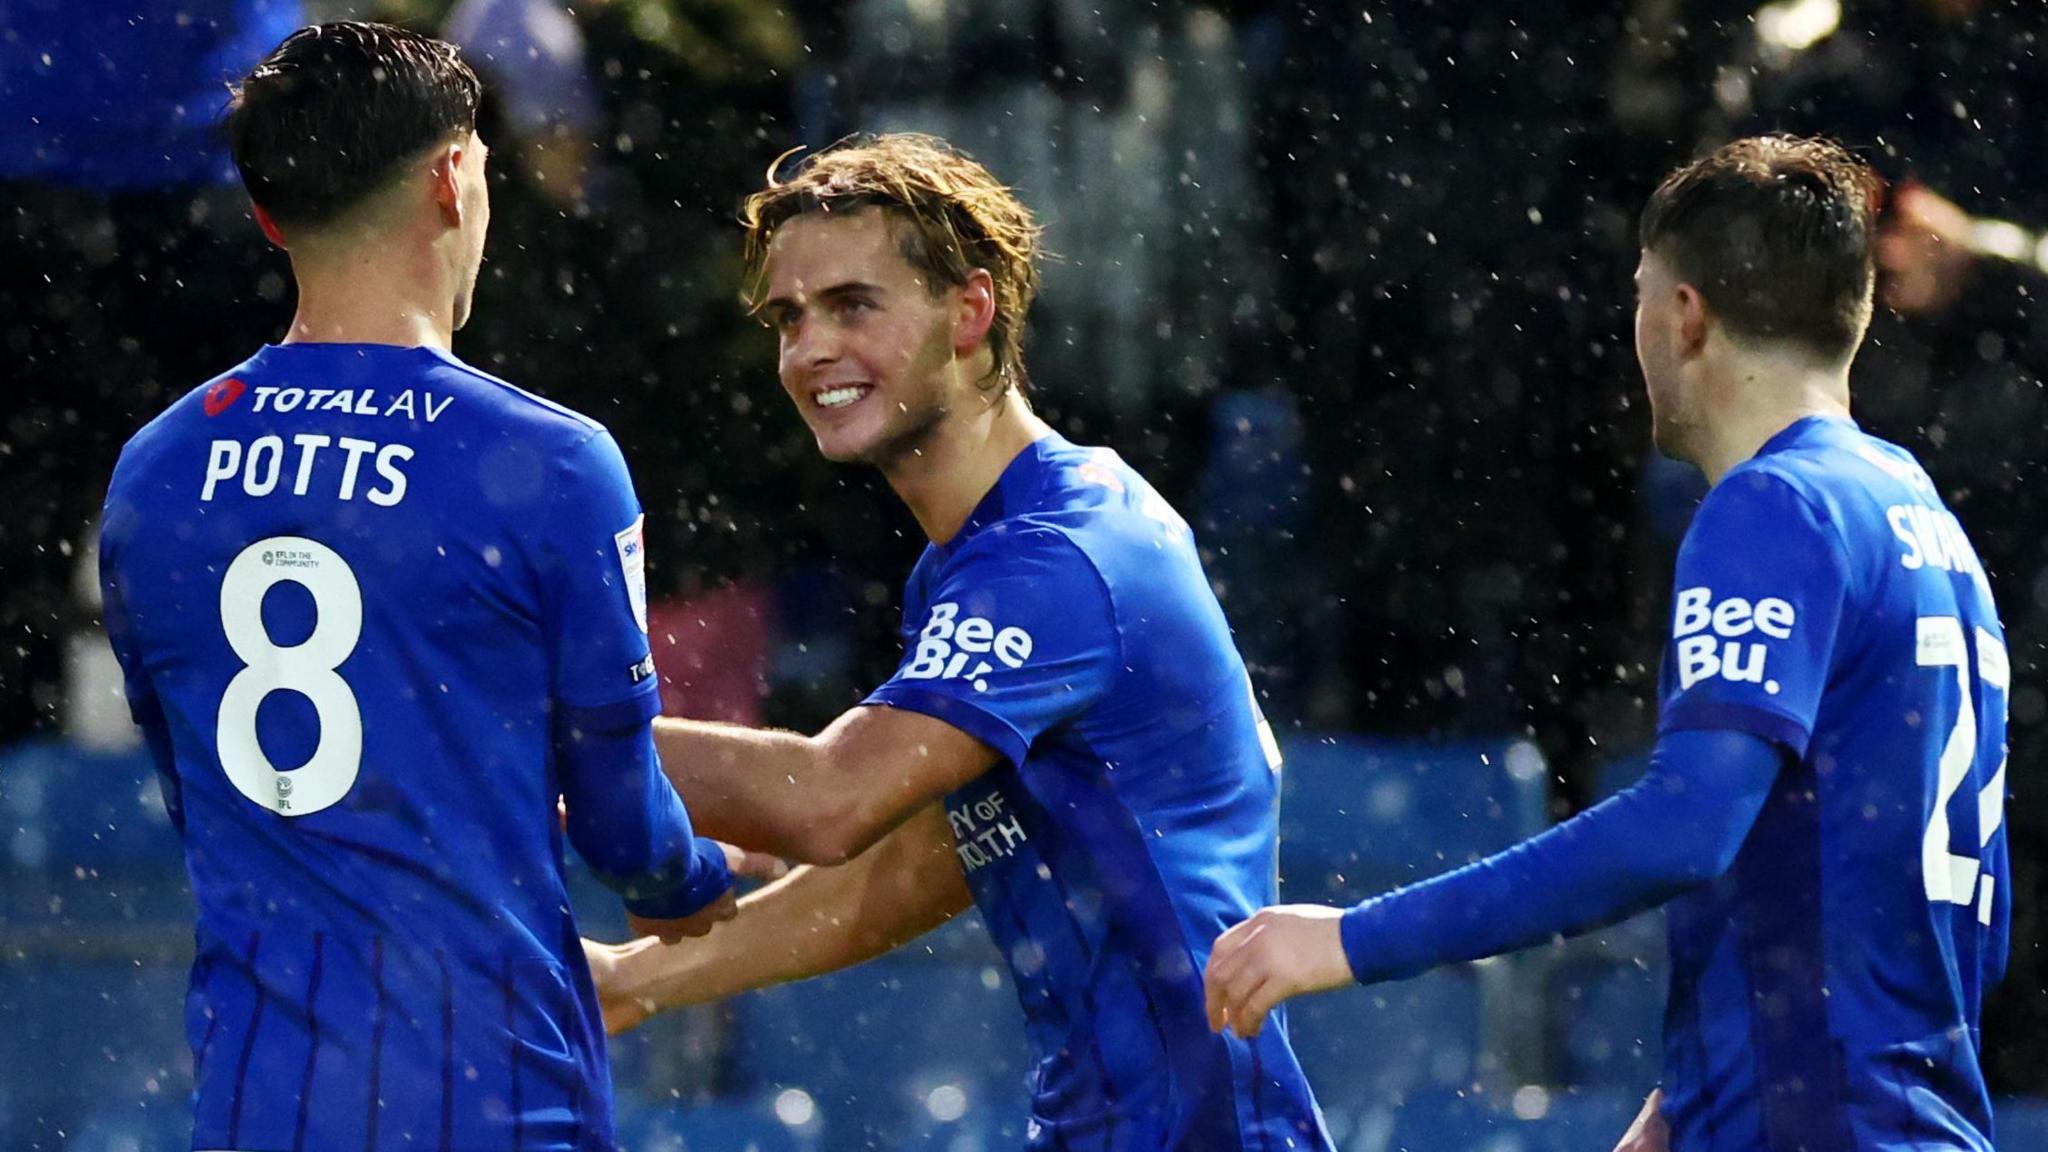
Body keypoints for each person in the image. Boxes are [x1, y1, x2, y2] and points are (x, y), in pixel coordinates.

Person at [1203, 135, 2010, 1152]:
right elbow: (1902, 862)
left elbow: (1685, 824)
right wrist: (1697, 1088)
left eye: (1639, 294)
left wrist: (1352, 939)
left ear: (1683, 316)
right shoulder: (1916, 514)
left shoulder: (1773, 507)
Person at [583, 133, 1333, 1151]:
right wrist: (636, 981)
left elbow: (829, 800)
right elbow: (914, 866)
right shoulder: (981, 560)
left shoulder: (1055, 560)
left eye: (853, 306)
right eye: (788, 318)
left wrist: (520, 721)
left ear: (969, 312)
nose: (808, 351)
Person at [97, 23, 742, 1150]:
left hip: (261, 1100)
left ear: (265, 213)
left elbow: (199, 782)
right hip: (492, 1094)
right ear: (454, 180)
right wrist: (687, 885)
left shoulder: (155, 468)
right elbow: (619, 818)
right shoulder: (551, 461)